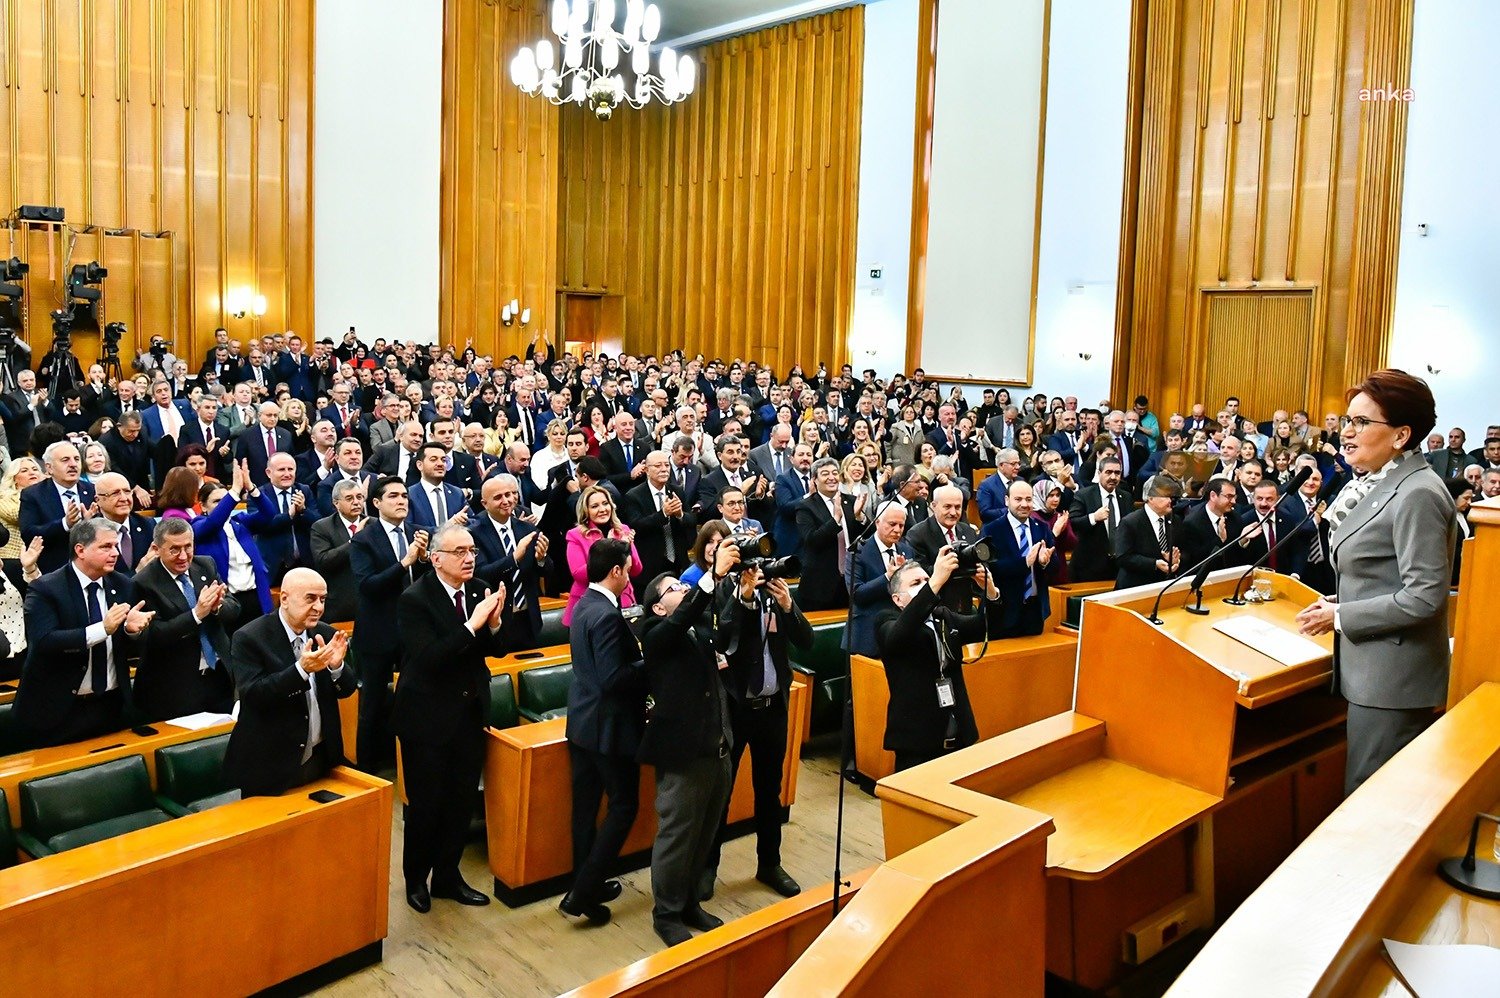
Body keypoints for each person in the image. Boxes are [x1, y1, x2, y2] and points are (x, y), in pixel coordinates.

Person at [1296, 369, 1454, 796]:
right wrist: (1341, 598)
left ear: (1401, 435)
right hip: (1369, 669)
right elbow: (1382, 572)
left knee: (1371, 796)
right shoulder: (1379, 483)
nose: (1347, 433)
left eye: (1361, 423)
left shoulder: (1417, 492)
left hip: (1393, 680)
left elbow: (1424, 597)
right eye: (1347, 420)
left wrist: (1342, 614)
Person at [394, 523, 509, 914]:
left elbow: (491, 650)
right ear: (436, 558)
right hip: (427, 717)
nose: (469, 558)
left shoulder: (478, 589)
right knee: (426, 805)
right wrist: (474, 624)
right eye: (459, 552)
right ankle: (415, 880)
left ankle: (447, 876)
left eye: (472, 550)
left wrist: (493, 625)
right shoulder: (415, 599)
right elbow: (429, 660)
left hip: (469, 712)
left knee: (461, 802)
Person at [637, 539, 741, 946]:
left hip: (718, 746)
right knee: (677, 836)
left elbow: (725, 628)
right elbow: (680, 623)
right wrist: (711, 576)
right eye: (674, 589)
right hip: (684, 754)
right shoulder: (656, 632)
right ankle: (666, 913)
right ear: (659, 606)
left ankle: (690, 903)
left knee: (705, 832)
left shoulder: (698, 629)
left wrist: (744, 593)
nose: (683, 589)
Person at [701, 558, 812, 901]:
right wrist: (743, 597)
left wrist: (788, 605)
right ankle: (706, 869)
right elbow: (722, 640)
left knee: (770, 791)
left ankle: (770, 863)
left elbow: (805, 641)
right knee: (721, 793)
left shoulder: (775, 596)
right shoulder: (725, 594)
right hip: (734, 711)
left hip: (772, 709)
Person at [561, 538, 644, 925]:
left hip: (581, 722)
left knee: (586, 808)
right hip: (608, 727)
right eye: (628, 569)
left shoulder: (583, 605)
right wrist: (650, 662)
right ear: (616, 571)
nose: (630, 576)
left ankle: (583, 881)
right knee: (624, 805)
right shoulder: (608, 615)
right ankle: (584, 891)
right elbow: (614, 678)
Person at [14, 518, 155, 746]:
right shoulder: (47, 588)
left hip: (112, 706)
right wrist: (103, 629)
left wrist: (132, 632)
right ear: (80, 549)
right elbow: (44, 642)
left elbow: (129, 647)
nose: (115, 553)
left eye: (116, 545)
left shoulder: (124, 586)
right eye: (106, 547)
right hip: (58, 712)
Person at [223, 568, 354, 796]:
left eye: (322, 599)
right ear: (284, 599)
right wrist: (301, 671)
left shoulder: (324, 633)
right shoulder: (250, 637)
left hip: (322, 756)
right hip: (271, 765)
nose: (319, 607)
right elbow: (254, 695)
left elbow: (347, 688)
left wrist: (336, 667)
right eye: (310, 599)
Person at [349, 476, 430, 771]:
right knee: (371, 705)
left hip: (412, 630)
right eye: (393, 496)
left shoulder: (416, 533)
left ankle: (407, 763)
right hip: (378, 632)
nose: (401, 501)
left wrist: (421, 561)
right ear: (377, 503)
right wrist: (405, 563)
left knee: (413, 699)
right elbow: (367, 586)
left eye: (404, 496)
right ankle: (368, 770)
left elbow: (422, 584)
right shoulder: (363, 539)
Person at [877, 554, 985, 772]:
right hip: (917, 741)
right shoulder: (885, 620)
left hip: (958, 730)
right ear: (897, 599)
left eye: (926, 580)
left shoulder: (942, 615)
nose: (925, 585)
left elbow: (984, 627)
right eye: (916, 583)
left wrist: (989, 591)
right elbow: (899, 635)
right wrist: (936, 580)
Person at [129, 517, 238, 721]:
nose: (183, 556)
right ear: (157, 548)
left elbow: (234, 609)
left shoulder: (205, 565)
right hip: (174, 687)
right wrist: (196, 614)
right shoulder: (143, 583)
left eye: (188, 547)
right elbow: (154, 636)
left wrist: (217, 608)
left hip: (218, 677)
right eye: (174, 549)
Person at [470, 473, 549, 650]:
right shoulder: (474, 532)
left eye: (509, 495)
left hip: (528, 618)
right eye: (498, 497)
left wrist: (541, 559)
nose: (506, 500)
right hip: (495, 619)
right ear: (484, 504)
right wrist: (514, 558)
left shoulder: (527, 528)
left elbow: (547, 570)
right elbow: (480, 574)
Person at [980, 480, 1054, 637]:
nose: (1024, 504)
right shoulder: (991, 529)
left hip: (1034, 610)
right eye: (1018, 499)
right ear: (1007, 500)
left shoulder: (1041, 528)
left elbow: (1056, 567)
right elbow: (990, 568)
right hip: (1004, 612)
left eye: (1028, 499)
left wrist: (1044, 562)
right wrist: (1025, 563)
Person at [846, 500, 917, 658]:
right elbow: (856, 594)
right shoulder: (858, 551)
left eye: (901, 525)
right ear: (877, 522)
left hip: (899, 634)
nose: (897, 530)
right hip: (866, 637)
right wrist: (888, 576)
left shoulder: (907, 551)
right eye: (892, 524)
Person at [562, 485, 642, 625]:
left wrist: (627, 547)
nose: (602, 509)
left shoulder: (623, 530)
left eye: (605, 504)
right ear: (586, 510)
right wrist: (611, 548)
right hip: (589, 606)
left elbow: (636, 569)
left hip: (624, 602)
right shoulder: (575, 535)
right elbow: (579, 574)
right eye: (595, 506)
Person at [20, 440, 98, 573]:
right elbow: (29, 533)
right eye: (65, 460)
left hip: (92, 567)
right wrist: (65, 524)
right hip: (54, 570)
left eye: (77, 459)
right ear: (49, 468)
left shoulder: (92, 490)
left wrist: (88, 524)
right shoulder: (33, 494)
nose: (73, 464)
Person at [620, 449, 695, 583]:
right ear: (647, 470)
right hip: (650, 563)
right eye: (658, 465)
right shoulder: (634, 495)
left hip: (678, 560)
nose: (664, 469)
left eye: (666, 465)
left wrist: (680, 514)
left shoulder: (677, 491)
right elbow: (636, 526)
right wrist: (663, 514)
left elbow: (691, 520)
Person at [793, 457, 857, 611]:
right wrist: (835, 520)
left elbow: (864, 537)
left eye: (835, 473)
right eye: (825, 474)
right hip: (819, 586)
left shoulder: (851, 501)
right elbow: (812, 540)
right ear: (814, 479)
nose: (831, 477)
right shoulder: (805, 507)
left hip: (850, 581)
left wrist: (861, 518)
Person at [248, 452, 315, 584]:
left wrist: (303, 511)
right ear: (268, 472)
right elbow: (259, 526)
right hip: (272, 566)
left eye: (290, 469)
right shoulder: (259, 495)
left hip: (304, 563)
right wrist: (288, 516)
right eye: (281, 470)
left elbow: (317, 522)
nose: (287, 474)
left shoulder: (304, 490)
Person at [309, 477, 366, 624]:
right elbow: (323, 560)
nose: (356, 502)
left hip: (371, 603)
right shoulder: (322, 527)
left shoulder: (373, 524)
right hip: (340, 606)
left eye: (359, 497)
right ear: (336, 503)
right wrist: (354, 540)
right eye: (349, 498)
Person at [1112, 475, 1183, 590]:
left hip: (1164, 586)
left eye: (1170, 496)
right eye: (1165, 496)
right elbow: (1123, 557)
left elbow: (1184, 550)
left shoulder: (1175, 520)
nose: (1170, 500)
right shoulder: (1130, 522)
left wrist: (1176, 560)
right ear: (1150, 498)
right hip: (1135, 587)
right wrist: (1154, 563)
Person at [1067, 457, 1128, 582]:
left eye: (1117, 473)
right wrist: (1094, 517)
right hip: (1089, 567)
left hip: (1118, 567)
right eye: (1108, 472)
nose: (1113, 477)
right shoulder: (1084, 495)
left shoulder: (1126, 497)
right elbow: (1073, 522)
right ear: (1099, 473)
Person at [92, 471, 156, 576]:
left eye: (127, 491)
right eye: (115, 493)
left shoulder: (148, 525)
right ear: (98, 500)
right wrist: (137, 573)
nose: (124, 498)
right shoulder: (90, 532)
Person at [680, 519, 731, 588]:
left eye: (720, 542)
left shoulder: (734, 571)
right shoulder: (689, 577)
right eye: (710, 542)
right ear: (702, 545)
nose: (715, 548)